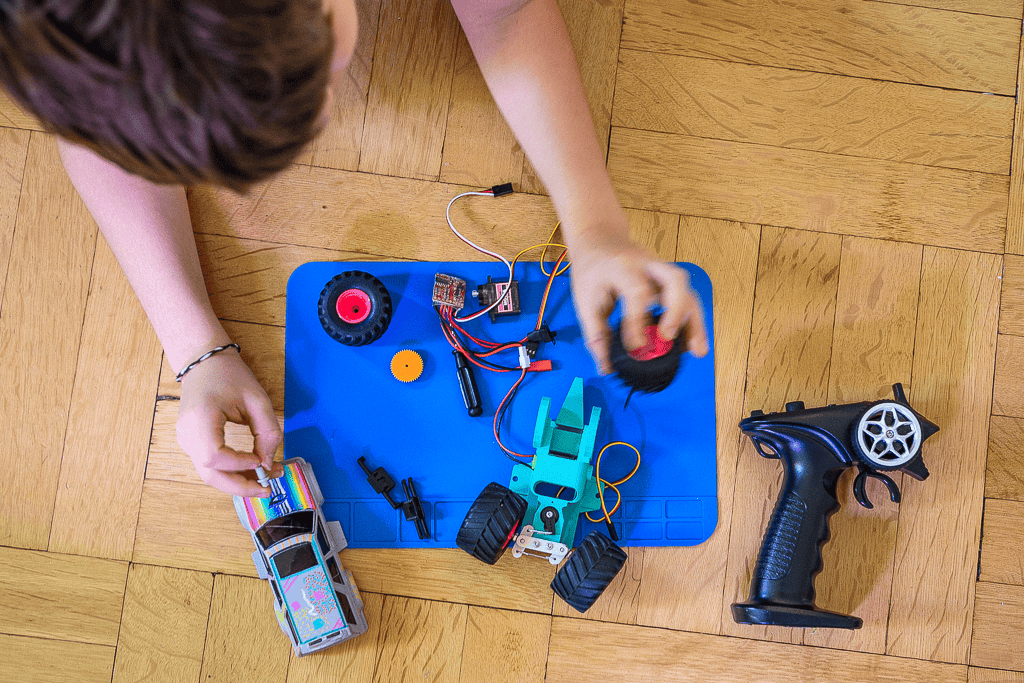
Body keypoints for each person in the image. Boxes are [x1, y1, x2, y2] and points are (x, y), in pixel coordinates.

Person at [0, 0, 708, 498]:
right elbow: (100, 141)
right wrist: (195, 351)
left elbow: (508, 10)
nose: (329, 111)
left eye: (326, 73)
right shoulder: (50, 29)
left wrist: (595, 226)